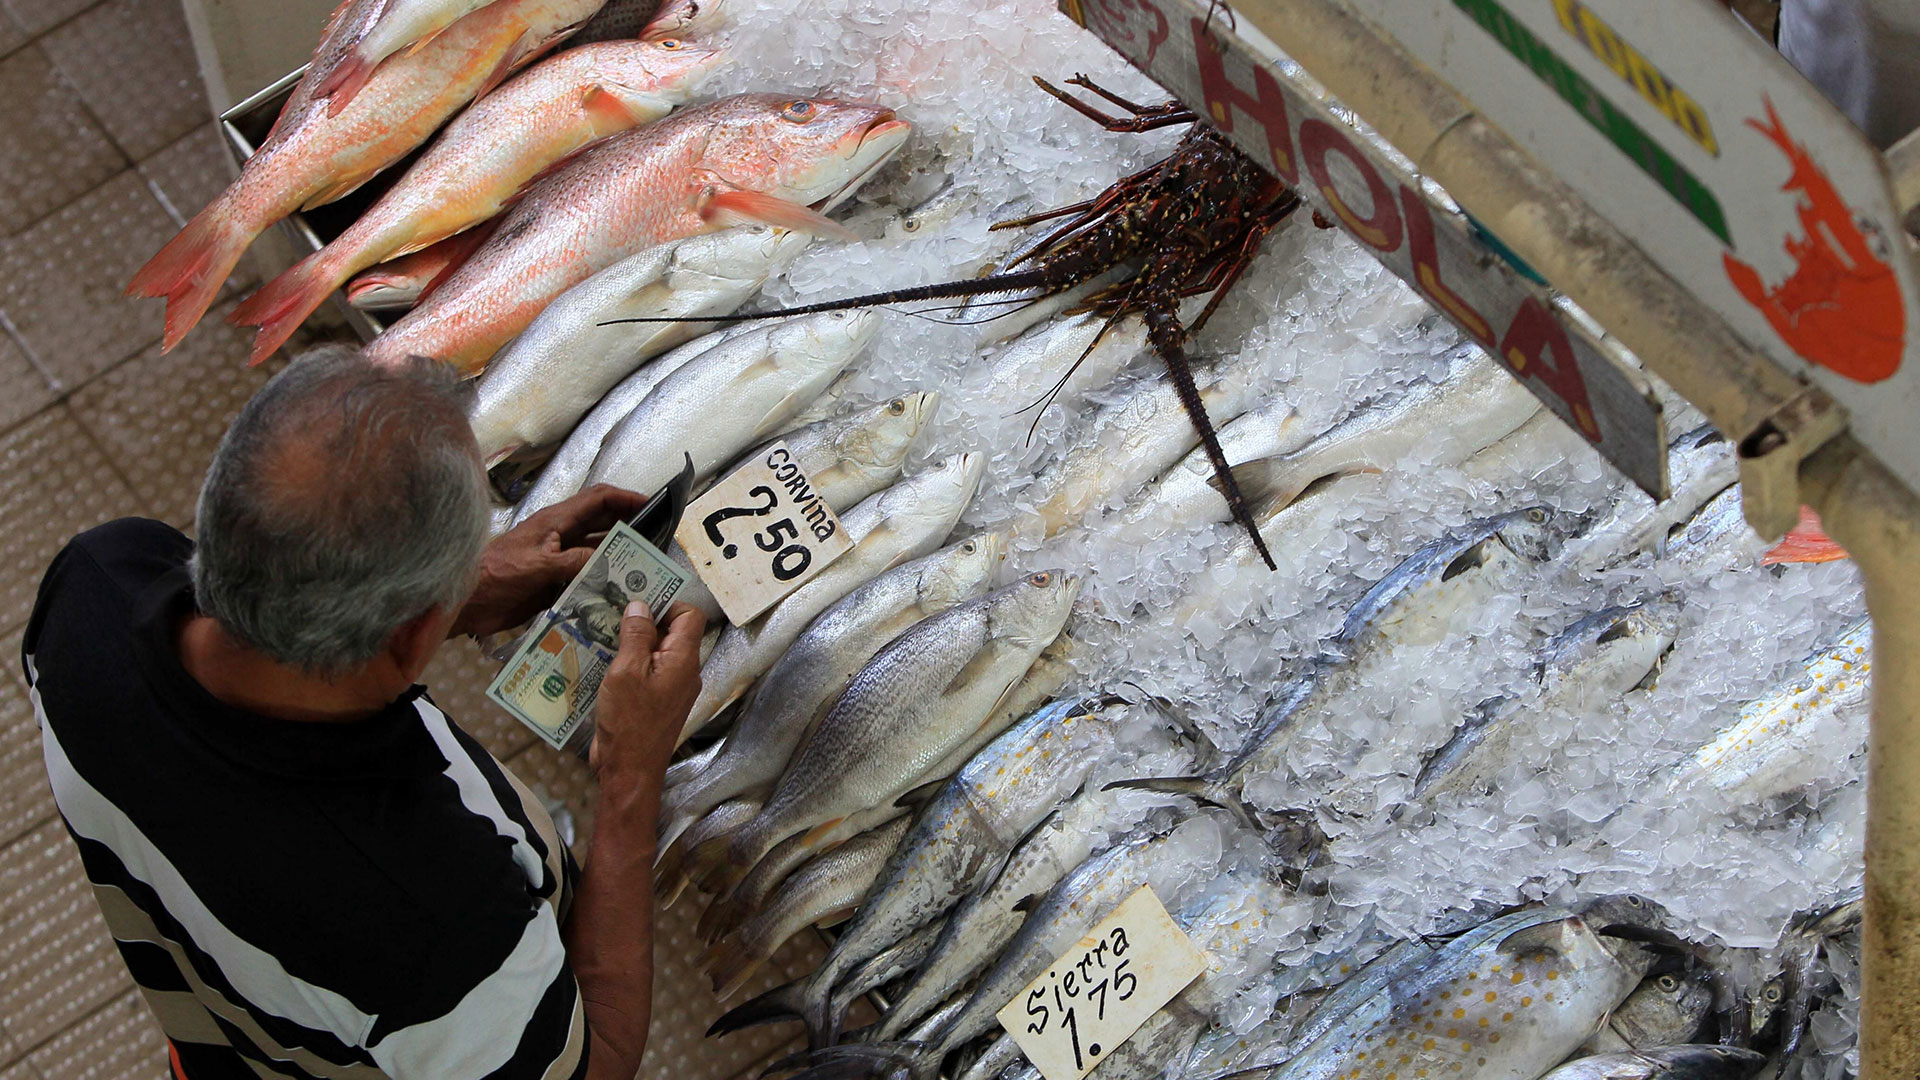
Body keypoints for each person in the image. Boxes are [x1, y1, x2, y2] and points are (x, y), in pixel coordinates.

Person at [25, 345, 706, 1080]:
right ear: (411, 633)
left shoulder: (94, 584)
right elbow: (592, 1065)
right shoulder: (432, 922)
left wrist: (461, 590)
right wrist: (633, 778)